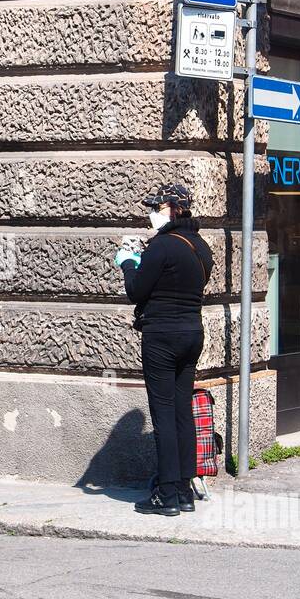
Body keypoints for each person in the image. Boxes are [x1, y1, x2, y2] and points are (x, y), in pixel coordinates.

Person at [116, 182, 213, 517]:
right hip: (192, 333)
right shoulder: (201, 247)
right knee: (183, 411)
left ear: (171, 208)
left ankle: (167, 495)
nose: (151, 214)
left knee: (164, 414)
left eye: (155, 208)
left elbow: (136, 291)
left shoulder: (161, 246)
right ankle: (185, 490)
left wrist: (129, 262)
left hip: (162, 336)